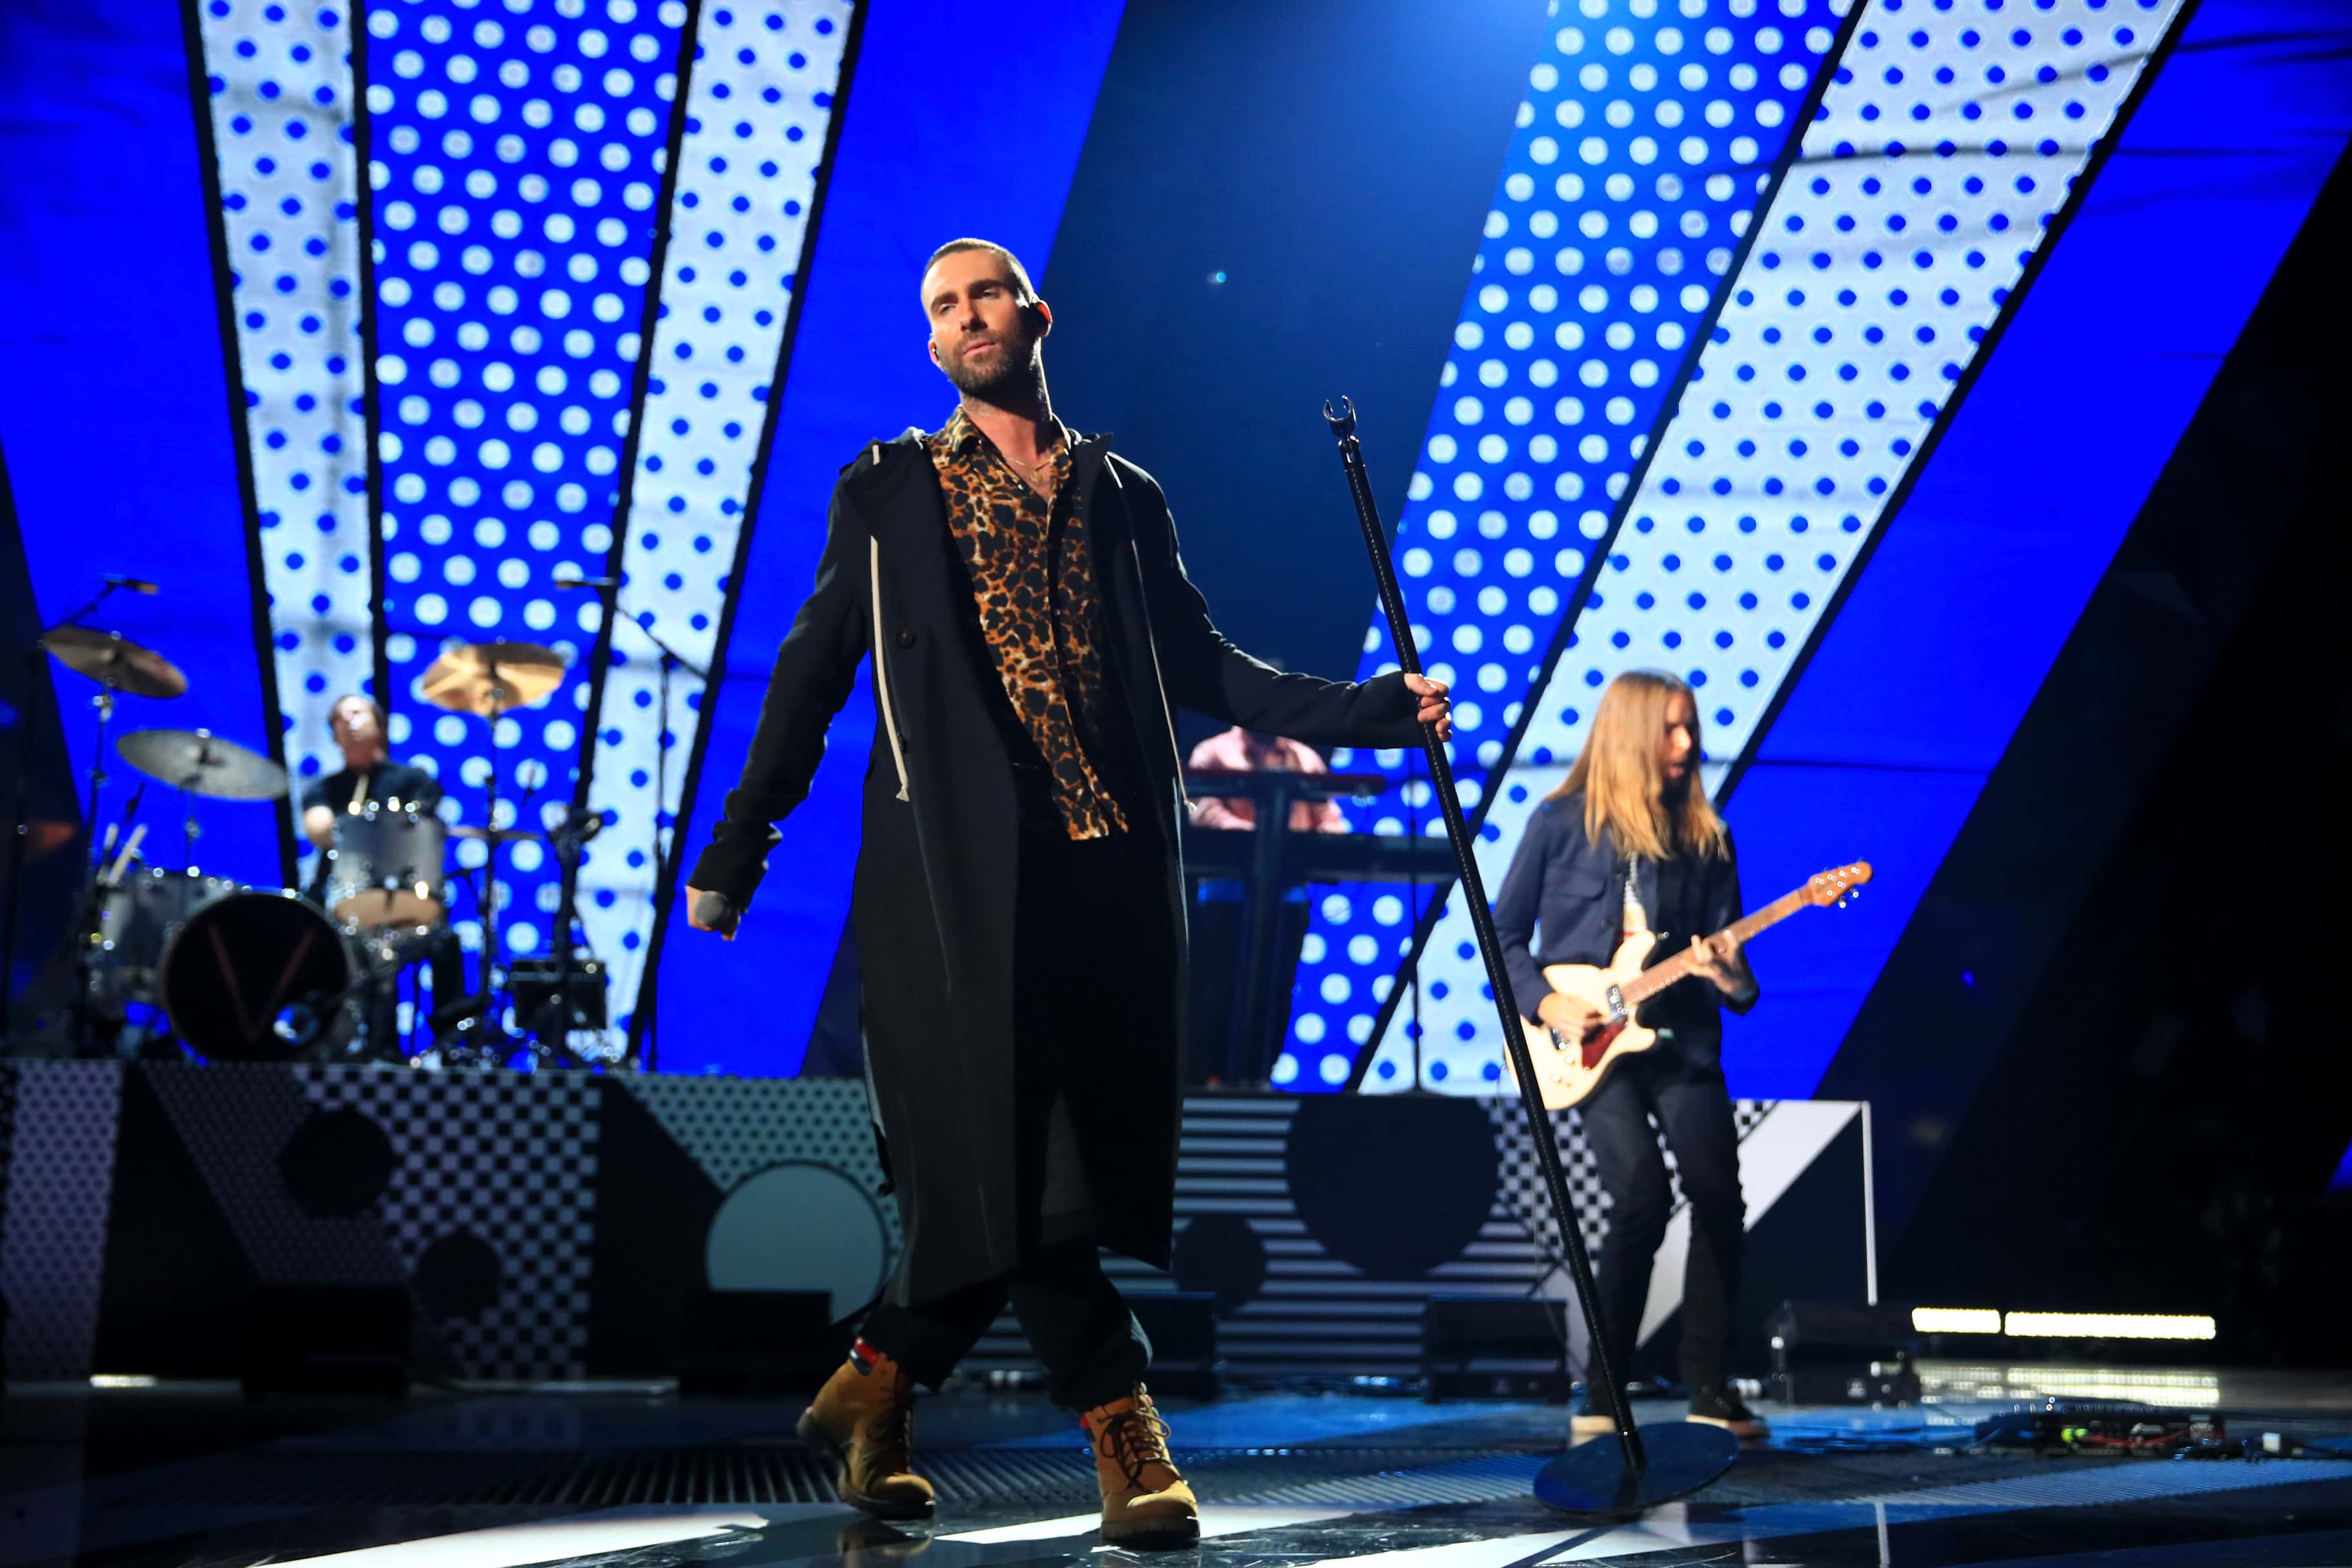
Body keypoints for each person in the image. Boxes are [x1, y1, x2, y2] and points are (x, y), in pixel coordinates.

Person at [682, 238, 1450, 1542]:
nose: (967, 316)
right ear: (934, 344)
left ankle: (875, 1386)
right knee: (1026, 1178)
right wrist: (737, 847)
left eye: (985, 293)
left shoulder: (1122, 493)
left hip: (1102, 880)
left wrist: (1367, 710)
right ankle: (1123, 1434)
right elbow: (811, 674)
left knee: (1043, 1174)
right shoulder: (890, 489)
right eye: (943, 306)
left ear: (1036, 314)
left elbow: (1204, 664)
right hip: (950, 894)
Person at [1491, 669, 1766, 1440]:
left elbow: (1738, 978)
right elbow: (1503, 933)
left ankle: (1710, 1384)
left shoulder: (1707, 837)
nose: (1687, 742)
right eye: (1671, 727)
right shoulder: (1558, 822)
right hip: (1588, 1046)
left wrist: (1728, 973)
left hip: (1682, 1043)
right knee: (1641, 1197)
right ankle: (1604, 1391)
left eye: (1691, 727)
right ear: (1633, 732)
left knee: (1718, 1197)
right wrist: (1546, 1002)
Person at [300, 695, 474, 1052]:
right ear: (333, 734)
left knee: (445, 943)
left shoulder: (412, 780)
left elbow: (425, 828)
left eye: (357, 713)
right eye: (340, 718)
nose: (349, 721)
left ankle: (453, 1045)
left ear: (380, 726)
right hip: (344, 902)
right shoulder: (325, 788)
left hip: (407, 897)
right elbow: (318, 830)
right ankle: (339, 1044)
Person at [1186, 725, 1348, 832]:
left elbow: (1328, 816)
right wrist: (1257, 838)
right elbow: (1204, 813)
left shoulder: (1306, 757)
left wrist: (1331, 839)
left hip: (1295, 866)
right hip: (1229, 866)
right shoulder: (1211, 752)